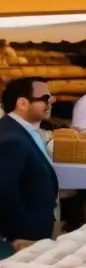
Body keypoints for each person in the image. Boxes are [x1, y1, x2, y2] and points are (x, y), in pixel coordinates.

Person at [0, 78, 59, 243]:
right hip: (24, 234)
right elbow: (5, 191)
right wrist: (19, 233)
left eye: (51, 98)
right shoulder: (11, 138)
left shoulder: (25, 130)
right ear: (22, 103)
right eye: (44, 99)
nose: (50, 103)